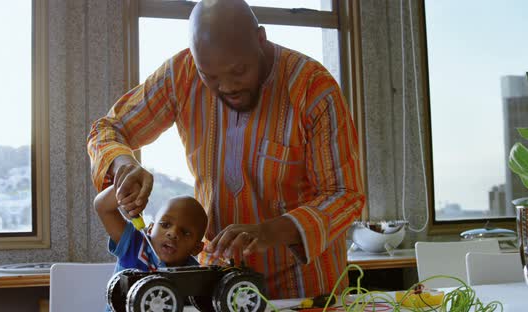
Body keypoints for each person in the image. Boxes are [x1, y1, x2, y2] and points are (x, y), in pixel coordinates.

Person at [88, 0, 365, 299]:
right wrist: (123, 165)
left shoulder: (312, 88)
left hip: (305, 288)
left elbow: (345, 195)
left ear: (260, 39)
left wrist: (268, 232)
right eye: (210, 77)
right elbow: (107, 129)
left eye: (239, 70)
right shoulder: (181, 75)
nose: (227, 87)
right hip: (217, 287)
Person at [94, 185, 208, 271]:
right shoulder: (133, 244)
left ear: (197, 248)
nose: (173, 233)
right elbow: (102, 207)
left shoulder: (196, 276)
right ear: (150, 229)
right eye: (165, 224)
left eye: (185, 232)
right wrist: (126, 185)